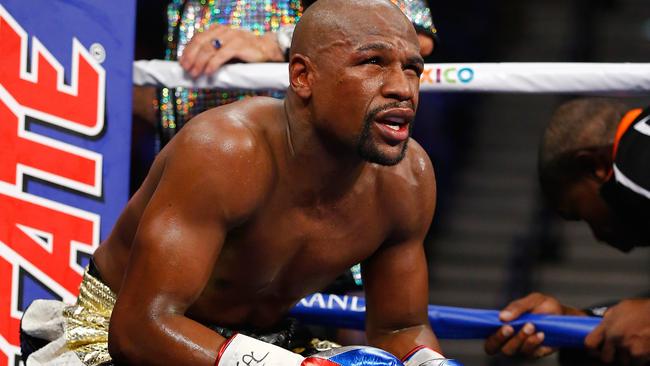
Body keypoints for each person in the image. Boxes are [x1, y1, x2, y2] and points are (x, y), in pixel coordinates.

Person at [20, 1, 462, 365]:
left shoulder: (409, 179)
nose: (402, 88)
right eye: (372, 63)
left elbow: (400, 328)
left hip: (265, 344)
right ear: (303, 77)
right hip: (119, 336)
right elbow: (140, 329)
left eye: (411, 69)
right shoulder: (225, 151)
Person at [483, 98, 650, 365]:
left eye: (577, 213)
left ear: (594, 166)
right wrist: (575, 321)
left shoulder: (634, 172)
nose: (597, 235)